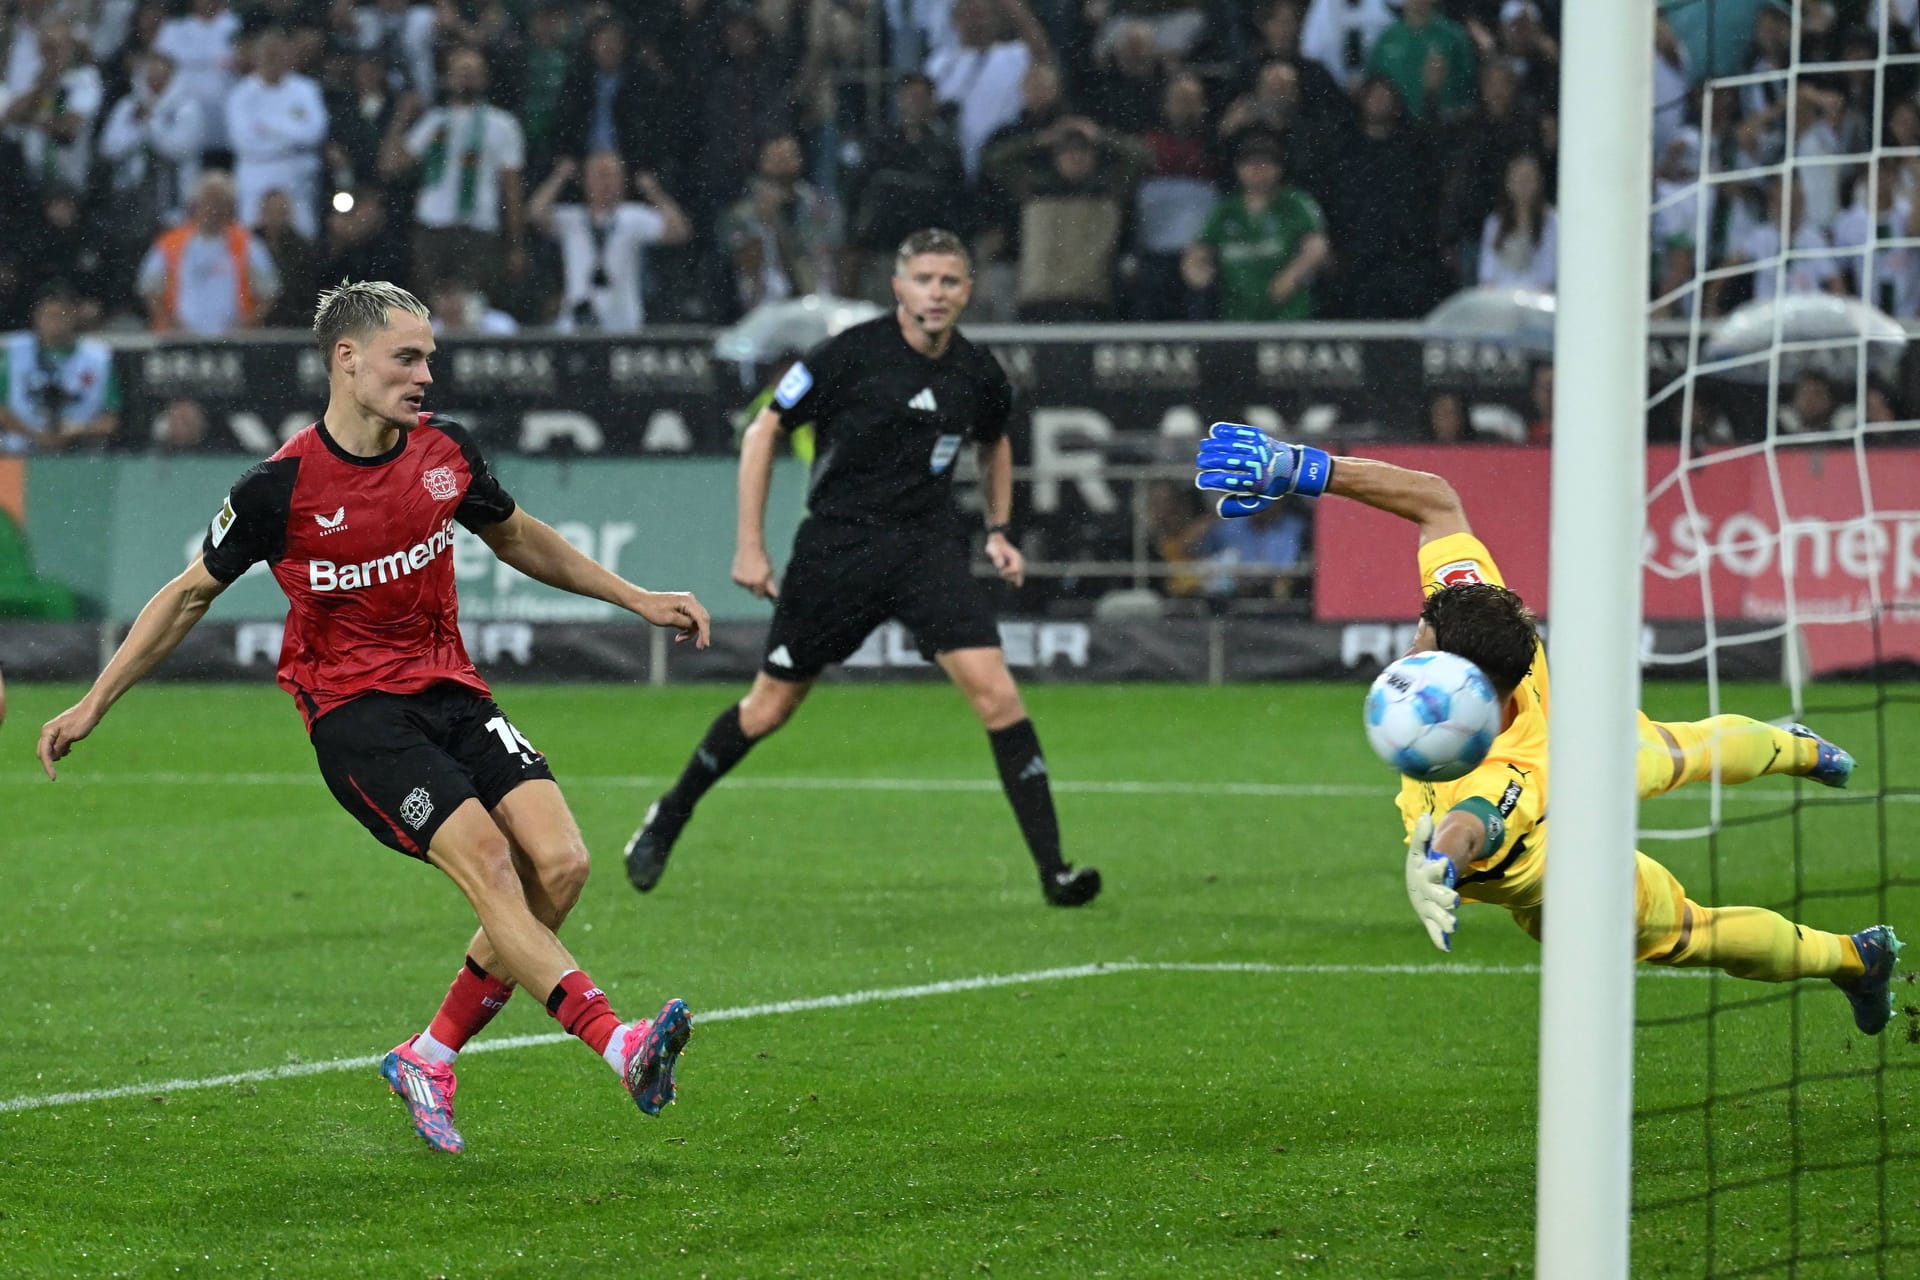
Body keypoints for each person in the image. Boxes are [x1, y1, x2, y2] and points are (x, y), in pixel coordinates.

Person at [36, 280, 711, 1153]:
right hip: (355, 715)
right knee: (491, 867)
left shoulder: (444, 454)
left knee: (564, 865)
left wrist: (635, 597)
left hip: (452, 692)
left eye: (430, 356)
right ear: (347, 360)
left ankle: (428, 1056)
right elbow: (187, 596)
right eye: (408, 357)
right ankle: (618, 1043)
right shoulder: (280, 488)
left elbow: (515, 535)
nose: (427, 373)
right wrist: (96, 700)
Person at [1191, 424, 1904, 1034]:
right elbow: (1435, 500)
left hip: (1568, 870)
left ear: (1458, 681)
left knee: (1693, 933)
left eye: (1421, 636)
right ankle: (1801, 747)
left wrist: (1437, 863)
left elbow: (1477, 822)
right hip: (1593, 743)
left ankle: (1854, 958)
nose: (1412, 641)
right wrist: (1304, 469)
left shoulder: (1506, 768)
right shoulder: (1497, 637)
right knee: (1684, 749)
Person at [625, 228, 1102, 908]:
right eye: (924, 280)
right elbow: (766, 430)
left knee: (997, 695)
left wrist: (998, 529)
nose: (936, 294)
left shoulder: (979, 373)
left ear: (967, 292)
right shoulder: (849, 356)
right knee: (768, 709)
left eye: (949, 281)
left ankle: (1055, 871)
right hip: (839, 550)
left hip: (926, 550)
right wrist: (750, 545)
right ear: (899, 287)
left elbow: (994, 443)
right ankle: (668, 817)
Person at [0, 286, 121, 453]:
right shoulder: (13, 352)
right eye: (49, 315)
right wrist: (36, 436)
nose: (54, 323)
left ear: (74, 316)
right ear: (37, 316)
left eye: (61, 316)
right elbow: (2, 410)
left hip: (80, 450)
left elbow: (110, 419)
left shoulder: (99, 358)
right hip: (20, 449)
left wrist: (80, 430)